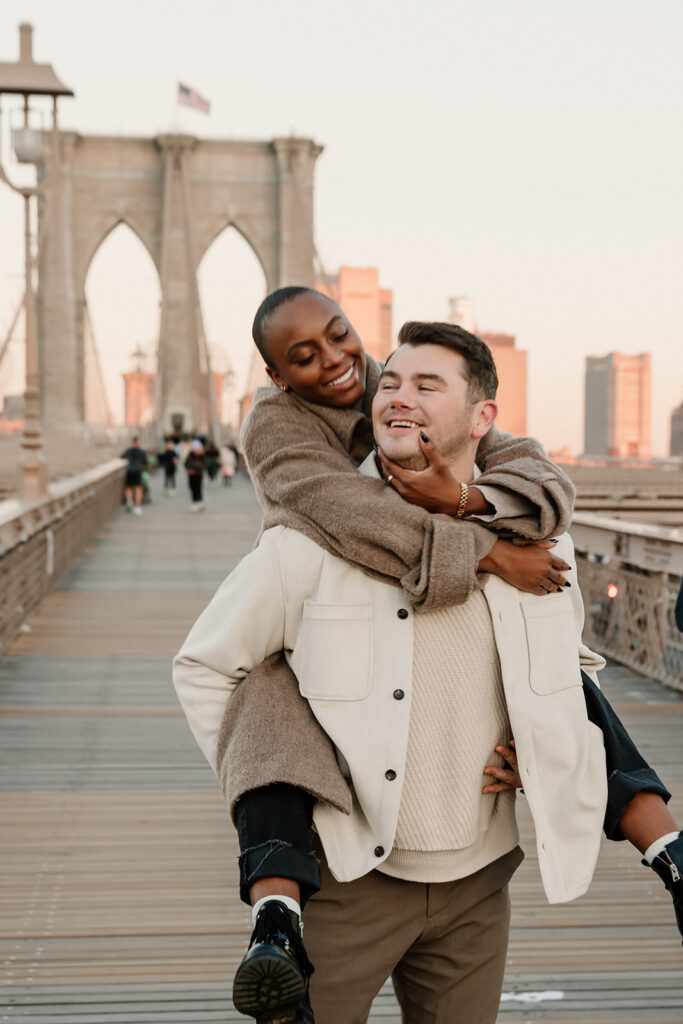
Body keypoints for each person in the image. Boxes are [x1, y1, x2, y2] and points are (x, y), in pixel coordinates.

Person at [175, 315, 682, 1022]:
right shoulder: (307, 546)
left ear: (482, 419)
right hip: (347, 879)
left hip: (478, 881)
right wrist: (277, 768)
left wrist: (538, 745)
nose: (397, 396)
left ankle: (665, 846)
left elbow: (574, 666)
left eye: (425, 385)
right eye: (393, 382)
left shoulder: (539, 546)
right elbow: (203, 666)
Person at [121, 436, 148, 516]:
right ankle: (137, 506)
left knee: (128, 487)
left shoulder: (129, 450)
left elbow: (122, 457)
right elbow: (145, 462)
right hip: (137, 471)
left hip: (129, 471)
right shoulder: (142, 451)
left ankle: (129, 502)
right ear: (138, 442)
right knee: (138, 489)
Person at [185, 439, 205, 511]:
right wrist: (196, 465)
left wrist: (196, 465)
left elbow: (204, 465)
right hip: (192, 475)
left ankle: (199, 502)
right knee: (193, 489)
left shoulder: (201, 456)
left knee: (198, 489)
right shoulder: (190, 455)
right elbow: (187, 464)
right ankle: (195, 503)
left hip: (198, 475)